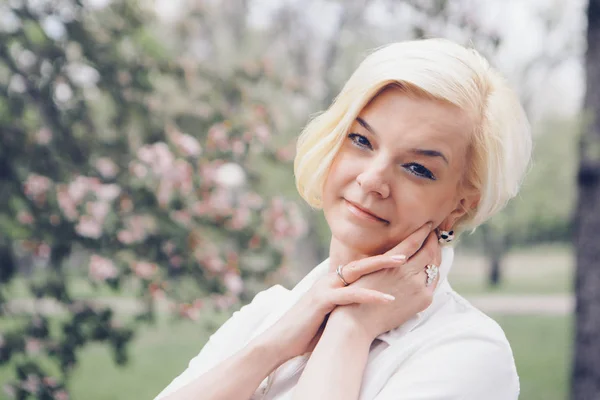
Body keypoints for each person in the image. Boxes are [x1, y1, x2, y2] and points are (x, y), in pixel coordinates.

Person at [154, 38, 531, 400]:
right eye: (362, 140)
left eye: (417, 167)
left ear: (459, 206)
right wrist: (271, 347)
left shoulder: (468, 354)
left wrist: (352, 327)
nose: (372, 179)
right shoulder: (269, 314)